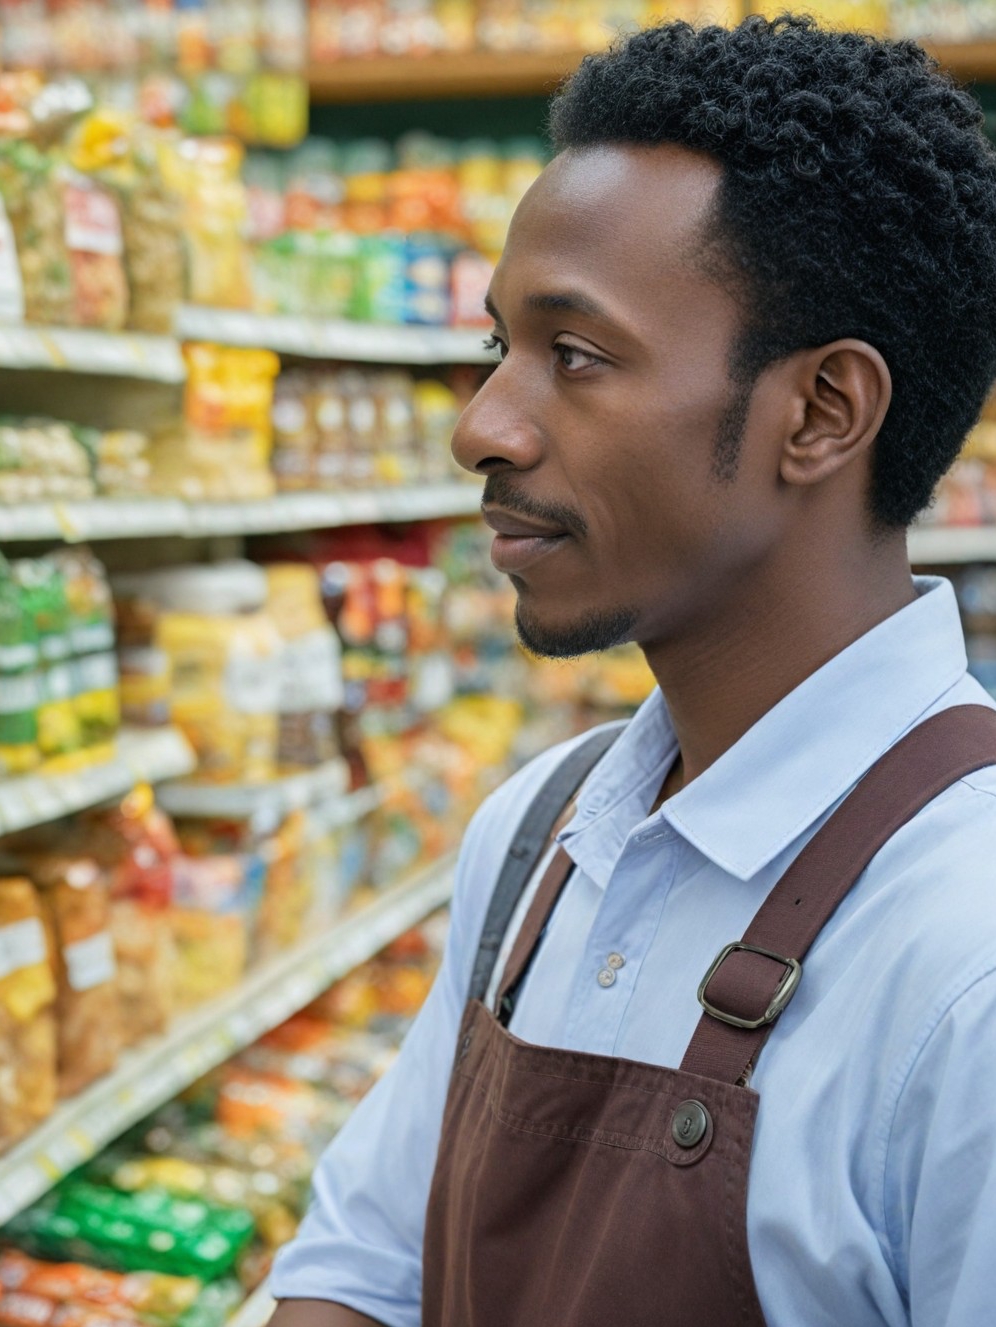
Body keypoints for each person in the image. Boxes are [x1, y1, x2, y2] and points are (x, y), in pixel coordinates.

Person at [268, 15, 996, 1327]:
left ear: (822, 413)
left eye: (578, 356)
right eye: (501, 347)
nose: (480, 425)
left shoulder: (964, 958)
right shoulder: (543, 832)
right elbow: (365, 1266)